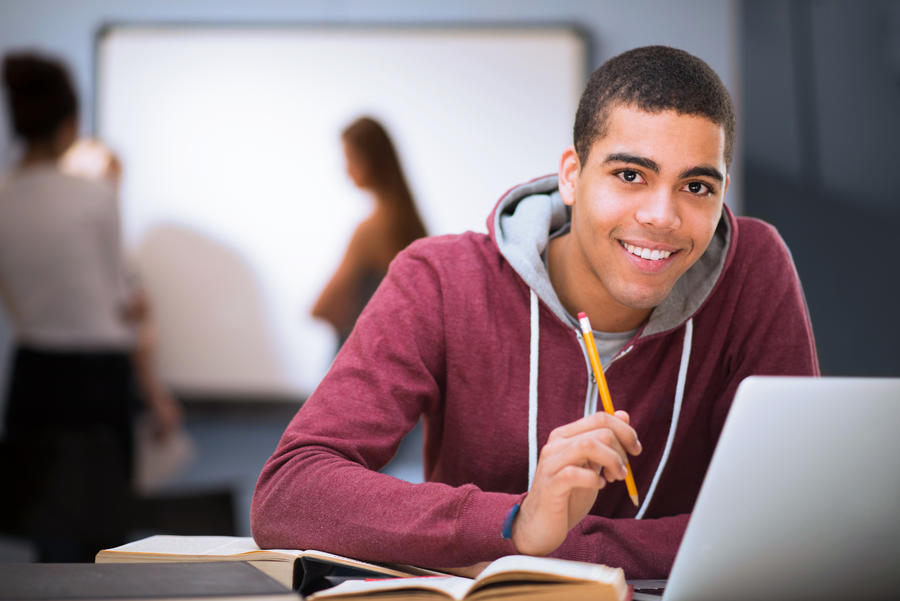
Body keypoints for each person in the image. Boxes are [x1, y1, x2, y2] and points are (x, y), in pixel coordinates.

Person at [251, 46, 819, 579]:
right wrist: (517, 522)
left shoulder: (753, 268)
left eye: (696, 186)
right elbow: (289, 494)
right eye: (630, 175)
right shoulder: (441, 279)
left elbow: (791, 523)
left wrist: (544, 548)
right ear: (571, 175)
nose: (662, 216)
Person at [0, 51, 180, 560]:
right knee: (103, 540)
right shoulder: (95, 196)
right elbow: (121, 303)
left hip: (35, 376)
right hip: (99, 382)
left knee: (46, 536)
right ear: (70, 122)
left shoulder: (3, 196)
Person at [311, 116, 427, 344]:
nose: (346, 169)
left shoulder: (371, 229)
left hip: (362, 352)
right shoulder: (414, 225)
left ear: (373, 161)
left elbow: (321, 307)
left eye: (351, 158)